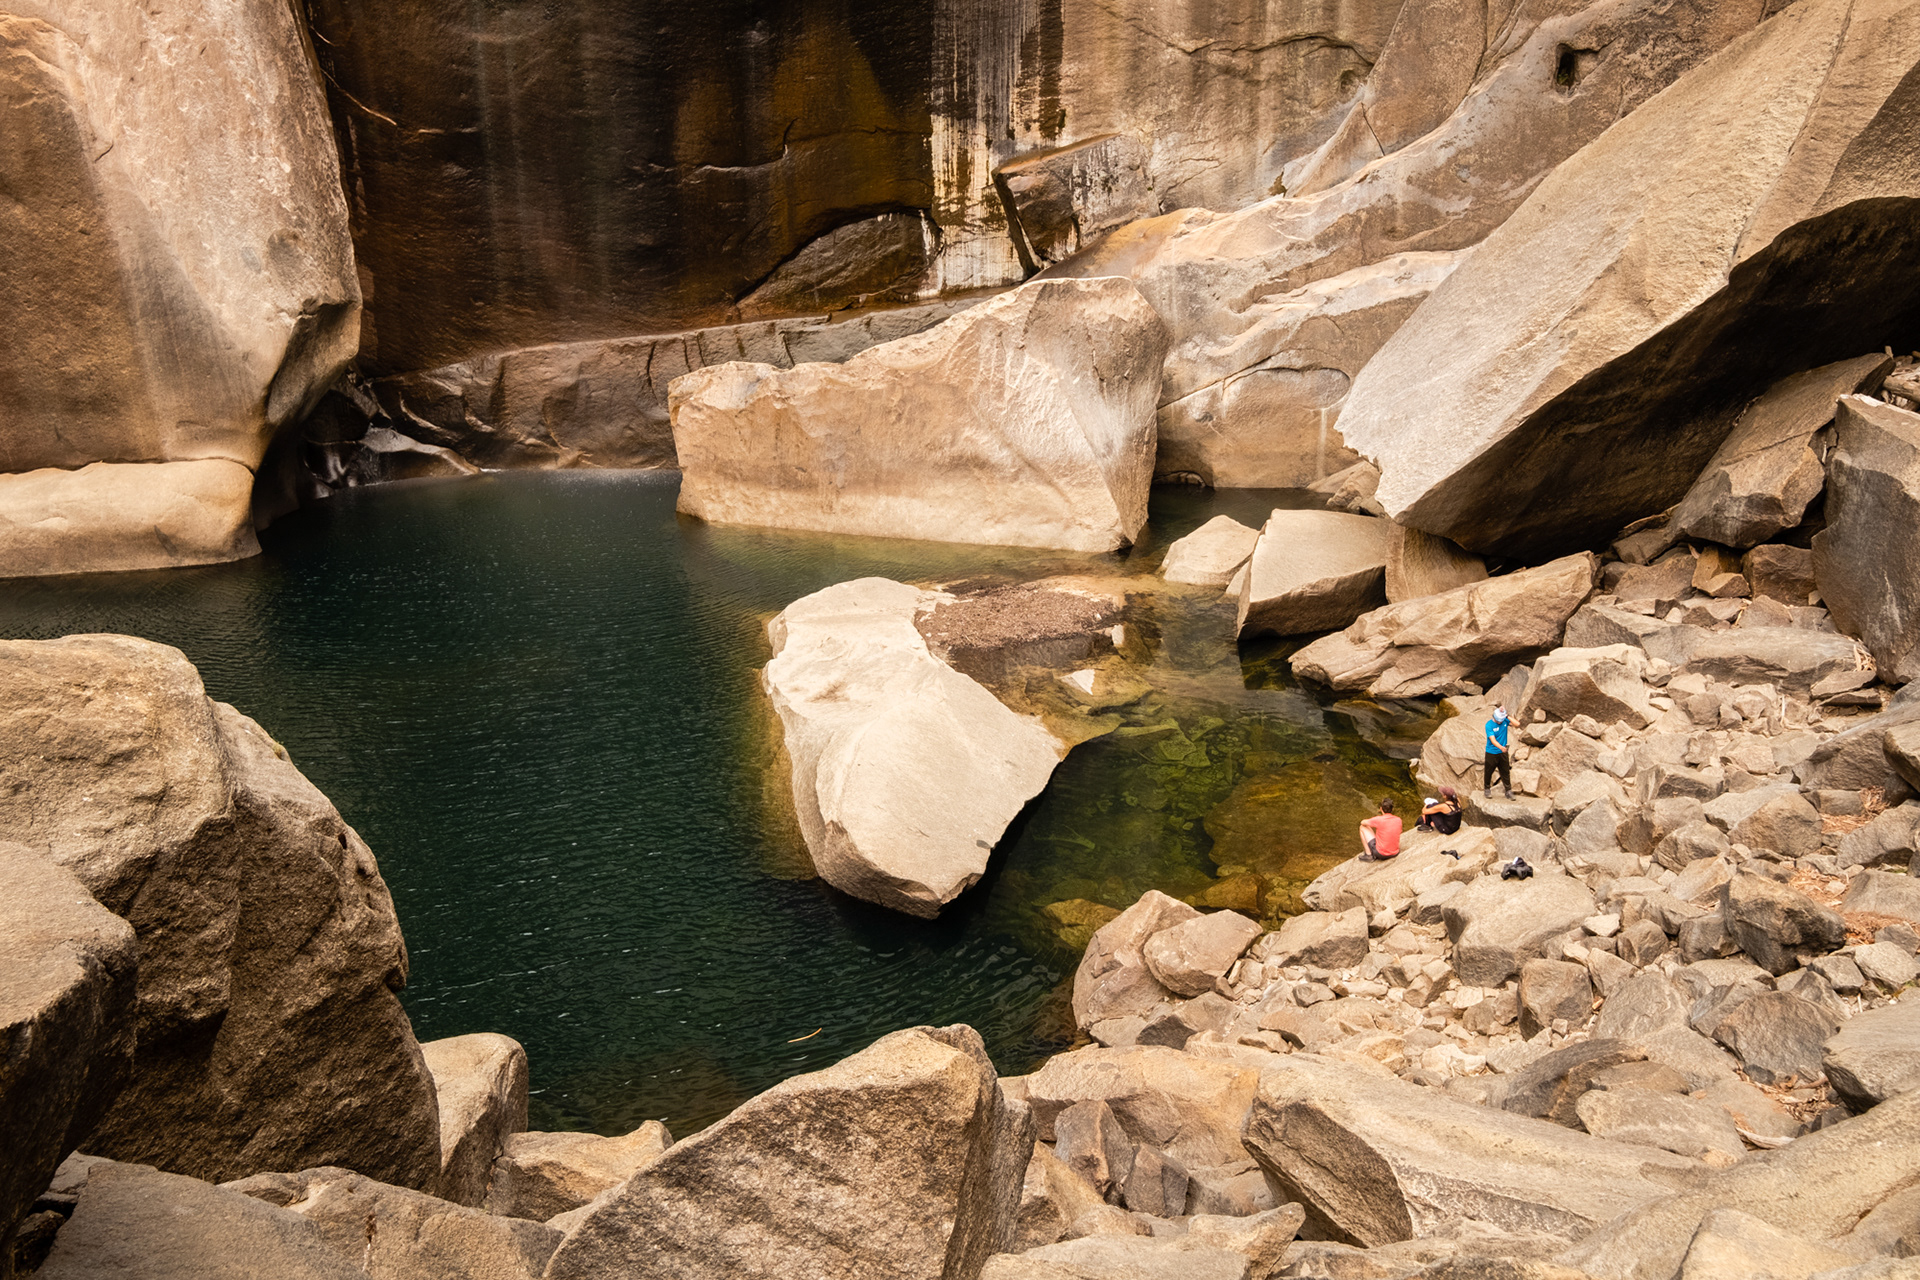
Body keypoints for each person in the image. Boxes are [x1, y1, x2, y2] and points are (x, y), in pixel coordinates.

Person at [1358, 798, 1402, 862]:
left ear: (1381, 809)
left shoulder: (1378, 819)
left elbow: (1362, 822)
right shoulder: (1398, 820)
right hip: (1395, 852)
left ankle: (1369, 855)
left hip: (1381, 854)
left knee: (1362, 827)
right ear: (1392, 809)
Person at [1484, 704, 1513, 800]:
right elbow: (1492, 740)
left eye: (1501, 719)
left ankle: (1508, 791)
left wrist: (1506, 715)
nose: (1500, 722)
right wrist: (1501, 748)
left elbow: (1517, 724)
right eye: (1499, 720)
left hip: (1503, 752)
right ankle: (1487, 789)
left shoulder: (1505, 720)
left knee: (1505, 771)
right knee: (1488, 771)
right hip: (1492, 752)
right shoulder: (1489, 725)